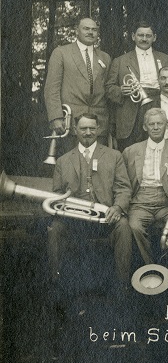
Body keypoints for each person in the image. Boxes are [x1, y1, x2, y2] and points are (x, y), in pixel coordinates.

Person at [49, 113, 132, 288]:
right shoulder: (63, 161)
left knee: (124, 226)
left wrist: (117, 208)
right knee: (55, 228)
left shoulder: (114, 156)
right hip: (73, 221)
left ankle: (122, 285)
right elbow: (57, 194)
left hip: (105, 219)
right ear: (75, 130)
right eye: (83, 128)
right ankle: (56, 283)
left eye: (92, 128)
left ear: (98, 129)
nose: (88, 132)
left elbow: (123, 188)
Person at [123, 108, 168, 282]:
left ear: (166, 126)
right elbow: (123, 182)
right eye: (152, 124)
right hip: (140, 202)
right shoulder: (131, 151)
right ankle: (151, 271)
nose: (156, 127)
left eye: (159, 124)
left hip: (167, 202)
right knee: (133, 226)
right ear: (145, 127)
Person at [106, 21, 168, 151]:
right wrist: (120, 90)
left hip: (158, 105)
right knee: (131, 153)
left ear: (154, 37)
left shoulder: (166, 59)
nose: (144, 39)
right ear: (133, 36)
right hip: (131, 109)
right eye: (140, 35)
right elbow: (109, 88)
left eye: (148, 36)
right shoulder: (120, 61)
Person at [44, 17, 112, 145]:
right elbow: (51, 89)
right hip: (70, 124)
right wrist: (56, 117)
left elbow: (108, 90)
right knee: (71, 164)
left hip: (99, 124)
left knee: (98, 164)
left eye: (94, 30)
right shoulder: (61, 53)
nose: (90, 32)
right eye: (86, 29)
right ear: (77, 31)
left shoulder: (105, 57)